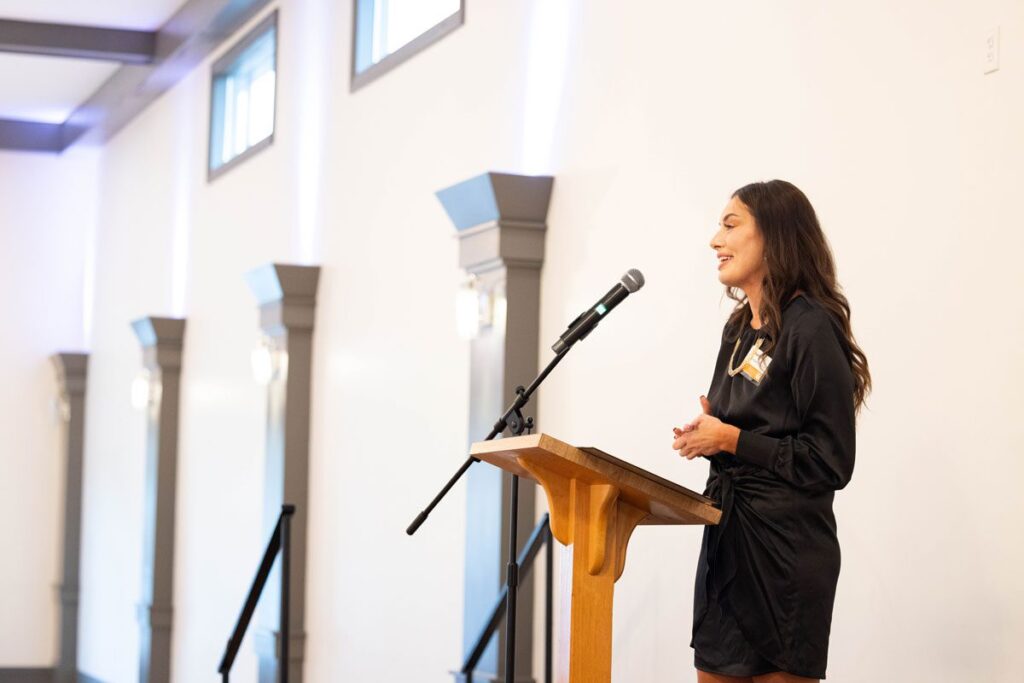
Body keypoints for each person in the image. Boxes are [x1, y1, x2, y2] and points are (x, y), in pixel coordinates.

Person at [671, 180, 872, 683]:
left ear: (775, 237)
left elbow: (830, 460)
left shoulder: (810, 327)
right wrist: (710, 432)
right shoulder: (739, 328)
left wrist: (730, 439)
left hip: (786, 555)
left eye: (730, 224)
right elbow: (748, 423)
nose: (715, 239)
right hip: (729, 542)